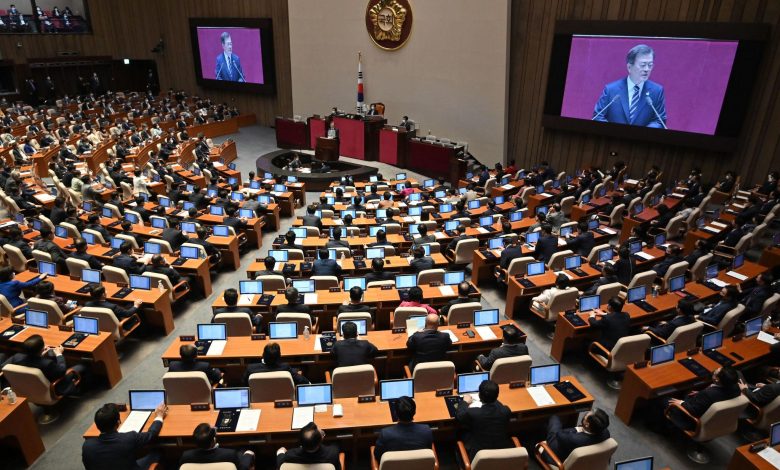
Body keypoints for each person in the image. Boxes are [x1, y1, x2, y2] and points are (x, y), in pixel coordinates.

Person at [593, 44, 667, 128]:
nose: (647, 69)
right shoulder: (611, 90)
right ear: (629, 67)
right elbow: (597, 116)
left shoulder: (657, 91)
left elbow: (660, 120)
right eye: (643, 65)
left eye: (650, 65)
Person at [82, 402, 168, 470]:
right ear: (118, 422)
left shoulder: (87, 446)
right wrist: (159, 416)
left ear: (97, 425)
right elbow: (151, 434)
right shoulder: (128, 438)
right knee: (157, 452)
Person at [2, 334, 84, 396]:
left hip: (28, 388)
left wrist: (40, 355)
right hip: (52, 388)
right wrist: (59, 354)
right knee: (82, 366)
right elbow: (62, 371)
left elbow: (3, 367)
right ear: (42, 348)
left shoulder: (17, 357)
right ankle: (77, 392)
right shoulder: (47, 364)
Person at [665, 367, 740, 431]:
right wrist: (700, 394)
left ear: (717, 379)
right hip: (711, 417)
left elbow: (693, 411)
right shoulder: (736, 388)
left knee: (662, 399)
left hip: (690, 419)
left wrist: (681, 402)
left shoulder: (709, 394)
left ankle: (661, 428)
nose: (714, 371)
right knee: (687, 391)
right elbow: (716, 396)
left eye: (715, 372)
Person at [456, 380, 513, 461]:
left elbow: (460, 416)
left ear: (479, 395)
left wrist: (464, 402)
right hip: (502, 454)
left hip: (479, 456)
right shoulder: (506, 411)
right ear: (497, 395)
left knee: (460, 432)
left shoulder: (474, 413)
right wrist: (491, 396)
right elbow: (498, 405)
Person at [373, 396, 433, 461]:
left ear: (395, 414)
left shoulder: (385, 434)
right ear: (414, 412)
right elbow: (428, 451)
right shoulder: (426, 430)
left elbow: (377, 456)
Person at [542, 409, 611, 463]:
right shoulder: (606, 433)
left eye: (586, 416)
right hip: (579, 452)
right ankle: (545, 426)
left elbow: (559, 434)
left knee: (554, 418)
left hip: (557, 453)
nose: (585, 415)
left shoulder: (573, 439)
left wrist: (576, 429)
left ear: (587, 424)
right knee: (548, 426)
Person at [179, 423, 254, 469]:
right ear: (213, 441)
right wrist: (248, 454)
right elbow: (243, 468)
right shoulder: (230, 454)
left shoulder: (186, 456)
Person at [276, 422, 342, 469]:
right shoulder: (332, 453)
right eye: (321, 433)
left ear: (300, 441)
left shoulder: (290, 455)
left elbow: (280, 464)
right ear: (320, 440)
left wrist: (280, 452)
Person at [243, 341, 309, 385]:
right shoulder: (285, 368)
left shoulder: (251, 369)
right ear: (279, 356)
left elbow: (243, 383)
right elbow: (303, 381)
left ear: (263, 355)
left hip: (258, 398)